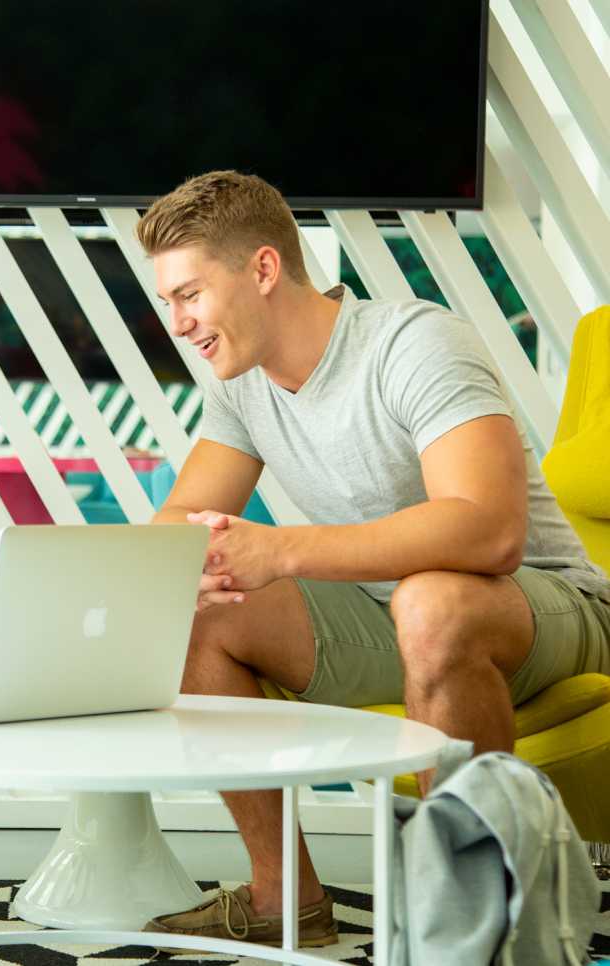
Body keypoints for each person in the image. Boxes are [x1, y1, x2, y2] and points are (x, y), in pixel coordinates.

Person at [138, 170, 610, 948]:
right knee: (202, 606)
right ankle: (283, 900)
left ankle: (470, 922)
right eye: (170, 304)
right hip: (394, 616)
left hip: (542, 609)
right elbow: (181, 524)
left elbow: (491, 532)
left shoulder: (413, 342)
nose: (180, 323)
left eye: (189, 294)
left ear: (262, 269)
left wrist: (281, 548)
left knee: (431, 602)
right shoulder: (243, 387)